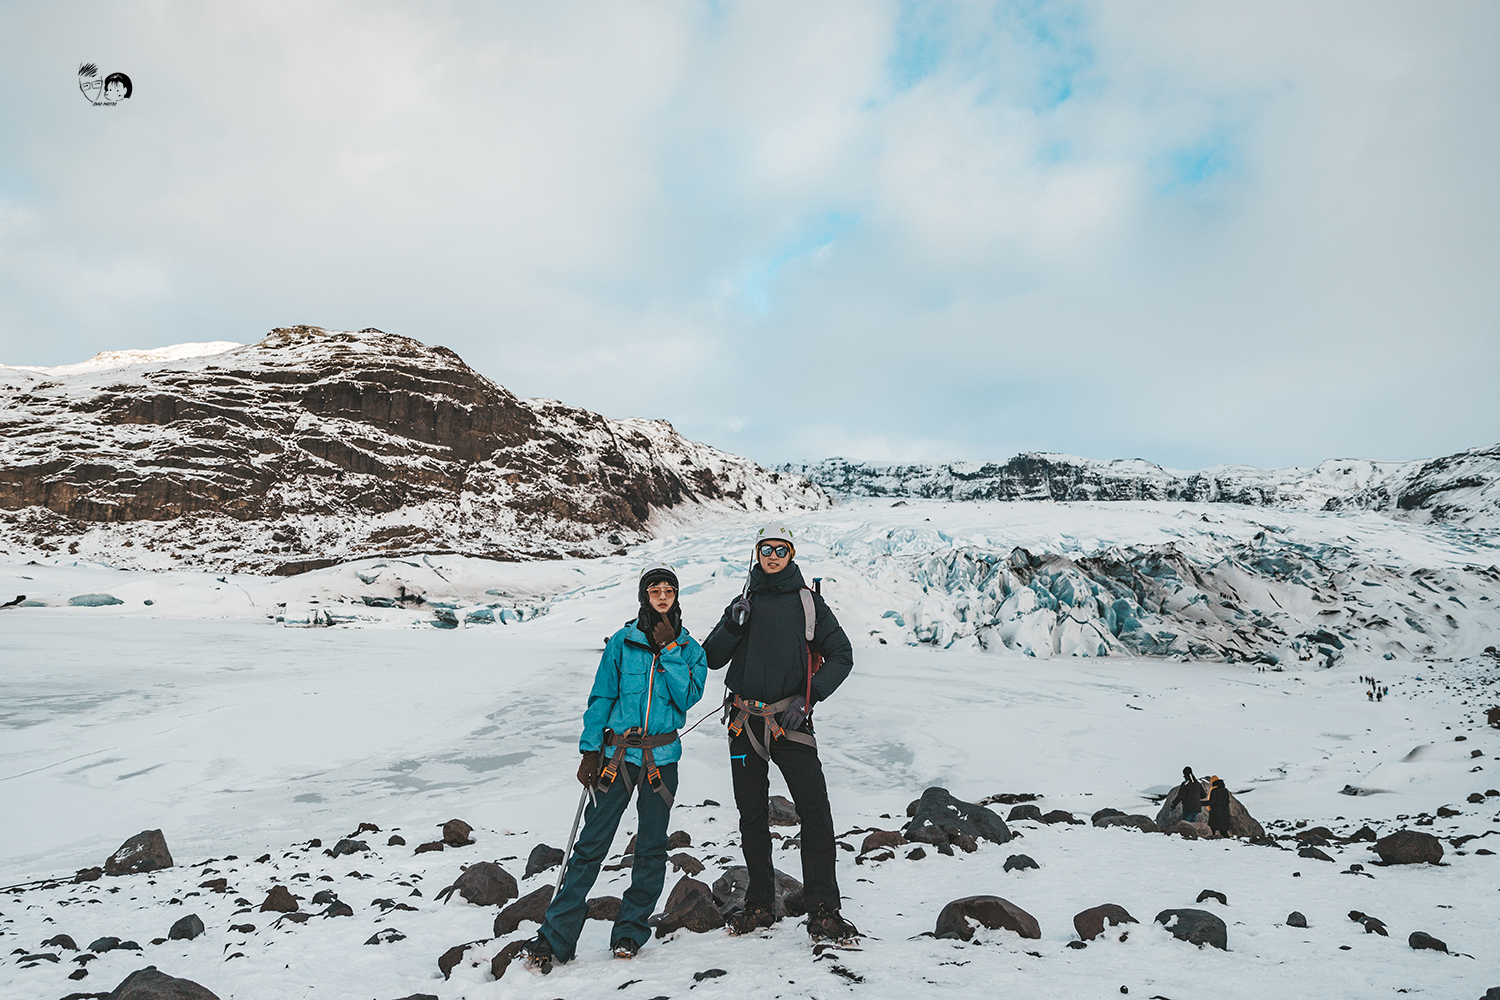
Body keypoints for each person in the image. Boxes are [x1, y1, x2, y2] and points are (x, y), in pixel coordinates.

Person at [525, 564, 707, 971]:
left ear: (677, 597)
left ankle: (630, 930)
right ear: (644, 596)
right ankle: (556, 937)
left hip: (661, 760)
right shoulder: (623, 642)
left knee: (651, 848)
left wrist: (672, 650)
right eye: (655, 590)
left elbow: (688, 699)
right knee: (590, 846)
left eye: (669, 590)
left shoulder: (691, 649)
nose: (662, 597)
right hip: (617, 758)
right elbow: (602, 696)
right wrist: (590, 751)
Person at [704, 522, 856, 942]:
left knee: (816, 813)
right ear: (757, 553)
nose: (772, 555)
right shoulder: (744, 600)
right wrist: (734, 625)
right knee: (752, 815)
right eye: (765, 548)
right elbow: (712, 658)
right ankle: (759, 906)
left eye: (780, 549)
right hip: (743, 722)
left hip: (791, 721)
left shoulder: (809, 604)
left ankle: (824, 911)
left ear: (790, 555)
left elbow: (842, 654)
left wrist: (810, 699)